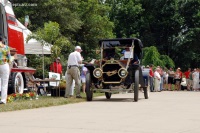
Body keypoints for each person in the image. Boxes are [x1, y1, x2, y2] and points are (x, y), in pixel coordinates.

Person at [0, 37, 11, 104]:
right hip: (4, 65)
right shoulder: (6, 47)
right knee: (4, 83)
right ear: (2, 41)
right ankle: (3, 100)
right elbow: (9, 58)